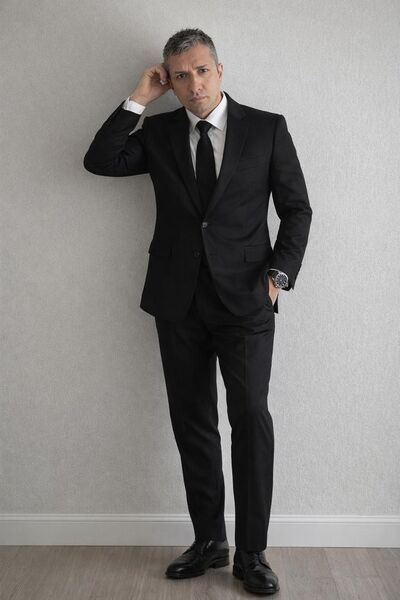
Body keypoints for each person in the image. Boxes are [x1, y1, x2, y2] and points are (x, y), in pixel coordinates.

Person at [83, 27, 312, 596]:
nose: (194, 85)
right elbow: (100, 160)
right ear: (170, 79)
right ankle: (210, 541)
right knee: (193, 422)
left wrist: (278, 277)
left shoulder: (266, 128)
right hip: (177, 299)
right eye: (180, 76)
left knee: (250, 420)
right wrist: (140, 96)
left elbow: (297, 209)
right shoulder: (160, 132)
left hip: (247, 301)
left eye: (202, 71)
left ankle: (252, 552)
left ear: (220, 70)